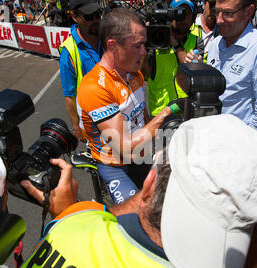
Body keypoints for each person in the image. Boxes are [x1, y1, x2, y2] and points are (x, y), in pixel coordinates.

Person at [3, 114, 257, 268]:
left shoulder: (69, 227)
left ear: (149, 182)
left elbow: (96, 215)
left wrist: (68, 212)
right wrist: (241, 200)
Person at [75, 8, 178, 205]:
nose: (144, 52)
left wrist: (159, 149)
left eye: (144, 45)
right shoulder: (95, 87)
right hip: (115, 164)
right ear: (113, 46)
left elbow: (144, 119)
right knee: (137, 217)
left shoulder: (134, 74)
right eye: (138, 46)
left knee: (168, 198)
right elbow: (126, 149)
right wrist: (167, 113)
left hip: (140, 154)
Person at [206, 0, 257, 130]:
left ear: (249, 11)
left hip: (239, 142)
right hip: (211, 133)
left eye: (228, 13)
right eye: (217, 12)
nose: (219, 20)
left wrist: (244, 139)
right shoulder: (215, 44)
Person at [143, 0, 204, 116]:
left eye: (186, 14)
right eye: (178, 13)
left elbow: (194, 75)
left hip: (187, 111)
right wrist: (144, 43)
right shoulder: (154, 41)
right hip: (160, 115)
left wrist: (175, 44)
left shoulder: (197, 41)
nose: (182, 19)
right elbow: (143, 76)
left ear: (193, 18)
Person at [58, 0, 103, 142]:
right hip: (92, 122)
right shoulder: (69, 52)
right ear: (75, 17)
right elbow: (69, 96)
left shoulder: (107, 37)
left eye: (98, 14)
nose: (96, 20)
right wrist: (76, 127)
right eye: (90, 17)